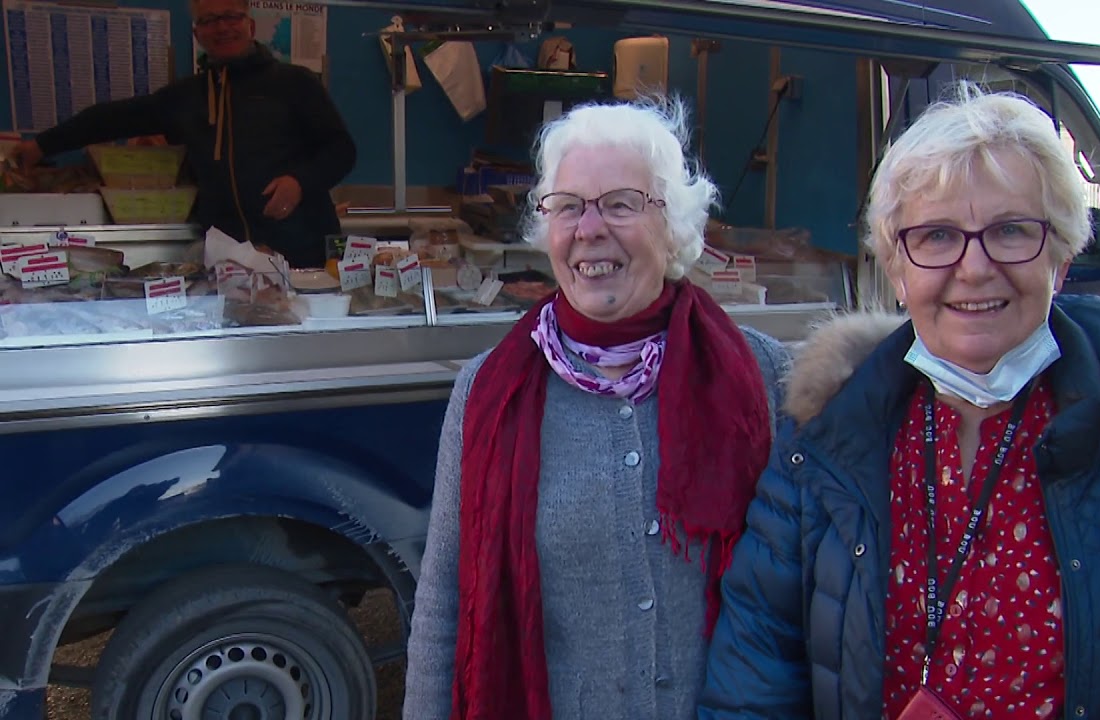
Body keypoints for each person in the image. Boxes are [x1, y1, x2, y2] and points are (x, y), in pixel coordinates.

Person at [698, 85, 1100, 719]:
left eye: (1009, 230)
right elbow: (757, 672)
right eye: (937, 236)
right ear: (897, 268)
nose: (973, 268)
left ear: (1059, 258)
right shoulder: (825, 438)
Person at [402, 98, 790, 720]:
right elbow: (445, 599)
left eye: (621, 203)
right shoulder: (487, 394)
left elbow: (809, 588)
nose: (589, 229)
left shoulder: (763, 374)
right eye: (569, 206)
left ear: (673, 223)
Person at [6, 0, 355, 268]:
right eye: (209, 20)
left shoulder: (295, 83)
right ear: (197, 34)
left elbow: (341, 150)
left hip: (303, 253)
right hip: (229, 261)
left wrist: (299, 181)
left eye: (231, 16)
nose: (222, 27)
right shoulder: (186, 98)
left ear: (249, 25)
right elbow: (110, 119)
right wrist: (42, 145)